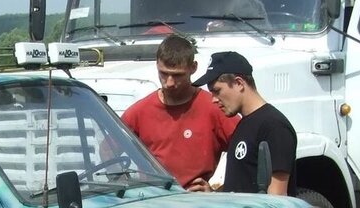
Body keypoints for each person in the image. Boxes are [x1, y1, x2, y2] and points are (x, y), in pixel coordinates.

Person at [120, 35, 237, 191]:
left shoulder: (214, 108)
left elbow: (248, 154)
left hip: (197, 204)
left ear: (193, 68)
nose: (169, 83)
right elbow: (108, 152)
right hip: (153, 202)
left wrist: (219, 192)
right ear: (156, 65)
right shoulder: (138, 112)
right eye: (163, 73)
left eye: (177, 75)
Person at [195, 51, 297, 196]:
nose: (214, 99)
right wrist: (213, 195)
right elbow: (242, 185)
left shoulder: (274, 127)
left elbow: (278, 199)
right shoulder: (244, 124)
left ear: (239, 83)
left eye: (217, 91)